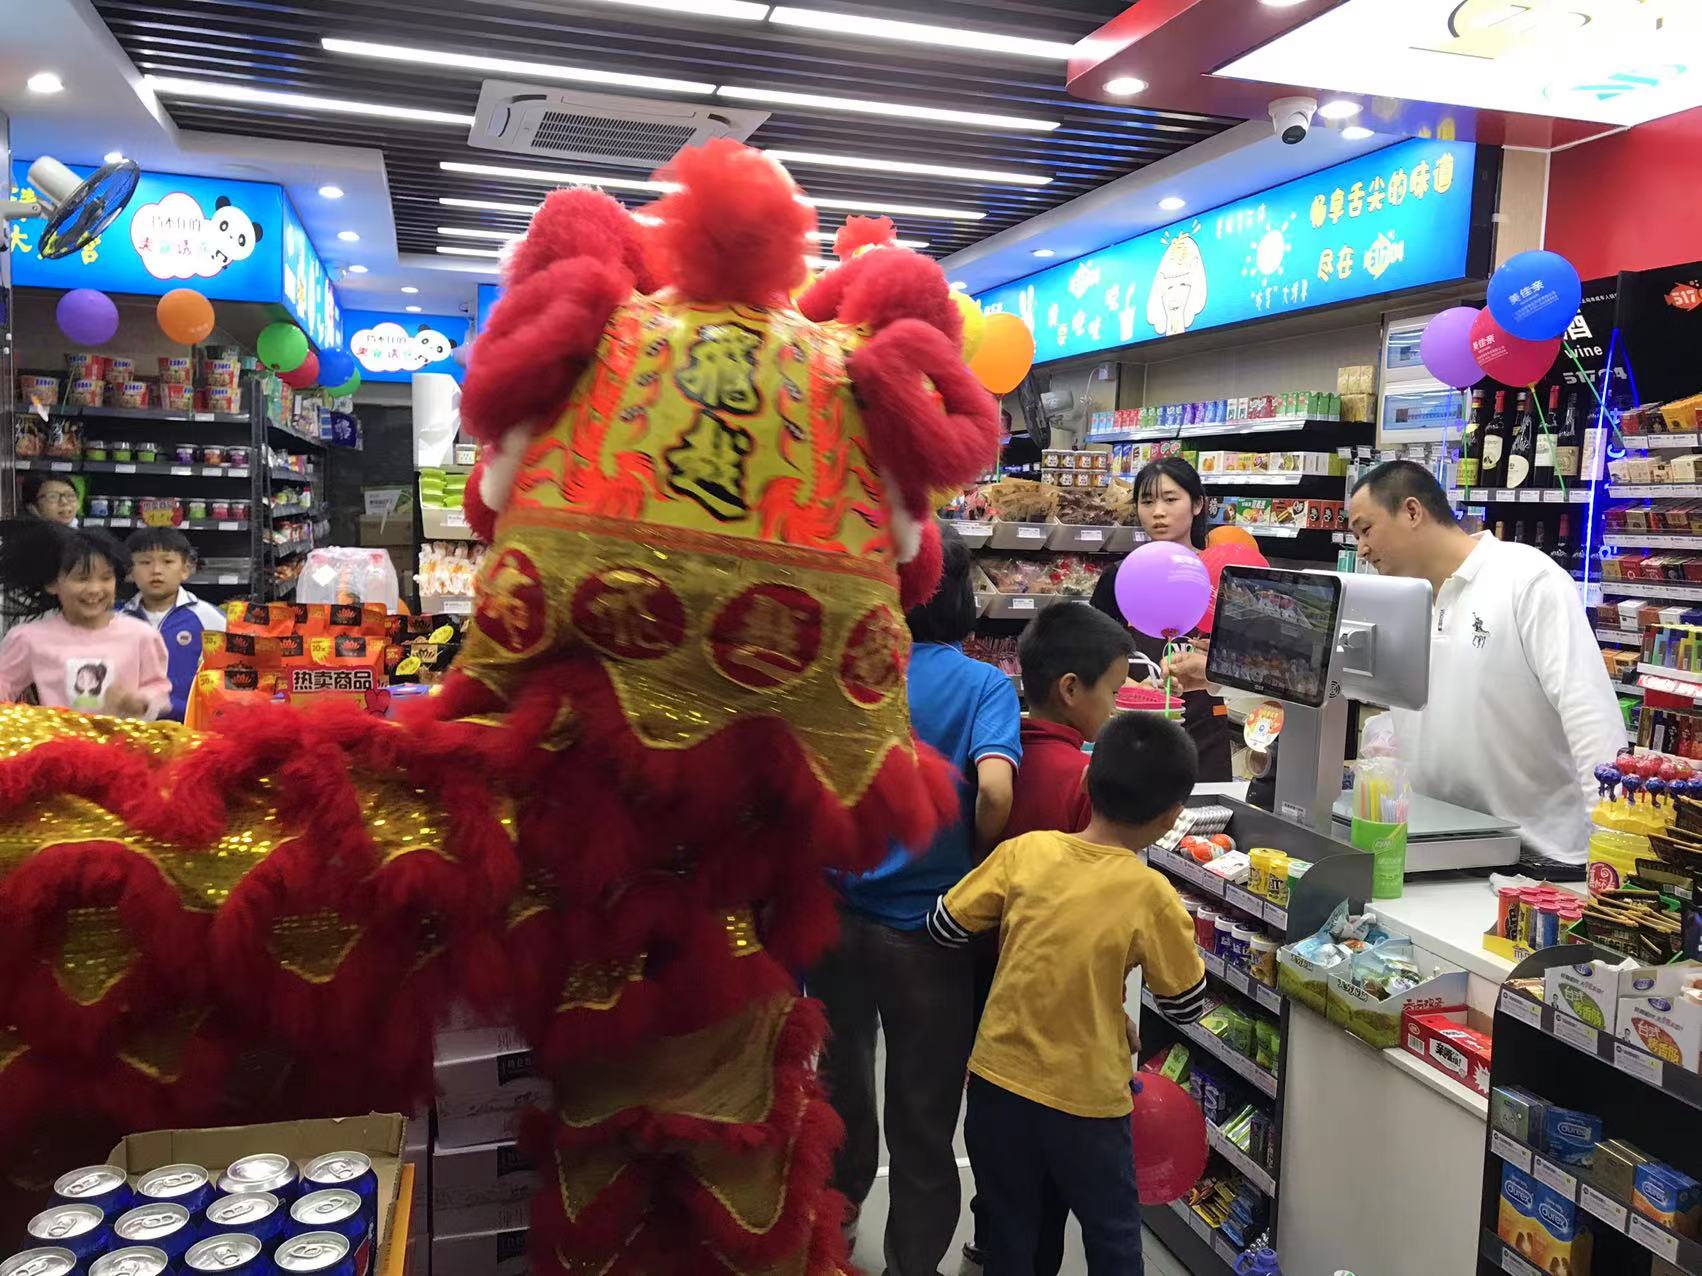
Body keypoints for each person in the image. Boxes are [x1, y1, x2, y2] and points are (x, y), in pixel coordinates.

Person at [929, 711, 1207, 1276]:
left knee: (1010, 1230)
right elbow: (1184, 1004)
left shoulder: (1024, 852)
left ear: (1085, 779)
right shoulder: (1151, 894)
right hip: (1088, 1104)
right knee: (1111, 1235)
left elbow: (944, 925)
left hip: (998, 1086)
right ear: (1172, 817)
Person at [812, 526, 1020, 1276]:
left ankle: (832, 1236)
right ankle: (911, 1263)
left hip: (835, 917)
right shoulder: (983, 686)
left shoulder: (843, 674)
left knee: (838, 1091)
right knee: (924, 1118)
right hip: (933, 929)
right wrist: (971, 854)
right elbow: (996, 790)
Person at [959, 601, 1134, 1276]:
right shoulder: (1081, 784)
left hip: (988, 981)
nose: (1116, 706)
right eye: (1112, 691)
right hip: (1062, 1009)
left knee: (1001, 1154)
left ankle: (993, 1242)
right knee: (1053, 1169)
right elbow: (1095, 914)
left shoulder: (992, 761)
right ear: (1070, 689)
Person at [1346, 459, 1626, 874]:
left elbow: (1588, 711)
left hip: (1537, 858)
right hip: (1437, 844)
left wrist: (1612, 844)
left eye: (1366, 530)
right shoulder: (1399, 601)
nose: (1362, 549)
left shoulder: (1526, 579)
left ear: (1412, 511)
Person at [1092, 457, 1232, 780]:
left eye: (1170, 499)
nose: (1158, 512)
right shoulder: (1120, 578)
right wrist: (1134, 692)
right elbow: (1091, 654)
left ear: (1197, 504)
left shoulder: (1221, 577)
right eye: (1147, 501)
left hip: (1206, 729)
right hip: (1135, 729)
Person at [0, 519, 171, 718]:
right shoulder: (28, 639)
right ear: (53, 583)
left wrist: (141, 702)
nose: (94, 589)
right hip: (57, 738)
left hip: (122, 737)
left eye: (106, 578)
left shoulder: (142, 635)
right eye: (82, 578)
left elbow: (159, 690)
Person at [119, 527, 227, 722]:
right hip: (131, 729)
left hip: (192, 727)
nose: (156, 570)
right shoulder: (117, 621)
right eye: (145, 562)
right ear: (130, 570)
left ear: (185, 569)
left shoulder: (210, 619)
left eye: (167, 562)